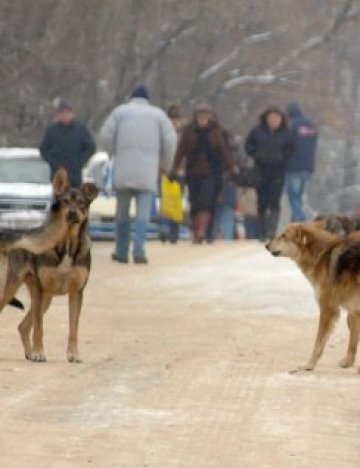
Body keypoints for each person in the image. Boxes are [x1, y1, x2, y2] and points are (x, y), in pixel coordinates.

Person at [99, 85, 177, 264]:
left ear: (131, 97)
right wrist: (165, 164)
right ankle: (139, 251)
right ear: (147, 99)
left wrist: (113, 152)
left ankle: (121, 251)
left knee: (122, 214)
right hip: (147, 172)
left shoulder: (120, 112)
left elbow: (105, 135)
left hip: (124, 169)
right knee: (143, 215)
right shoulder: (158, 116)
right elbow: (170, 141)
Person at [169, 102, 237, 243]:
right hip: (193, 172)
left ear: (210, 117)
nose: (202, 118)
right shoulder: (189, 131)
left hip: (212, 172)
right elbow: (180, 151)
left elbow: (225, 152)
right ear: (195, 117)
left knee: (206, 202)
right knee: (195, 203)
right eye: (200, 116)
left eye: (205, 115)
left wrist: (232, 169)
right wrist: (174, 169)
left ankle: (202, 231)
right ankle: (197, 231)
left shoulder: (217, 131)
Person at [245, 106, 294, 241]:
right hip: (261, 171)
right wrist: (257, 155)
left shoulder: (287, 133)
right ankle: (263, 231)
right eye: (271, 117)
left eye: (276, 118)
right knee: (262, 202)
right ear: (266, 118)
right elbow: (248, 146)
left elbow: (292, 149)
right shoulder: (257, 132)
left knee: (274, 201)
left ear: (281, 119)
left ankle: (272, 231)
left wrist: (282, 157)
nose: (273, 120)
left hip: (278, 171)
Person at [40, 100, 96, 187]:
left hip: (74, 176)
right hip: (58, 175)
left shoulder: (81, 129)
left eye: (67, 113)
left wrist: (80, 161)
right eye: (62, 113)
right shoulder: (52, 130)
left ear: (72, 114)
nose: (65, 115)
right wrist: (53, 162)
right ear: (58, 115)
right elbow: (43, 149)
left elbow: (90, 148)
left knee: (73, 199)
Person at [159, 103, 186, 244]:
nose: (174, 122)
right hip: (164, 172)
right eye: (171, 119)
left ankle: (174, 232)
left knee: (176, 202)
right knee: (165, 202)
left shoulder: (185, 133)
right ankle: (164, 230)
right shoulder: (162, 132)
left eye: (176, 119)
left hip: (180, 172)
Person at [285, 102, 318, 221]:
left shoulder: (292, 125)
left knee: (293, 195)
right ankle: (295, 220)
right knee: (299, 194)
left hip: (294, 165)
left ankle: (299, 216)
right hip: (308, 166)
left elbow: (287, 144)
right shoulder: (311, 125)